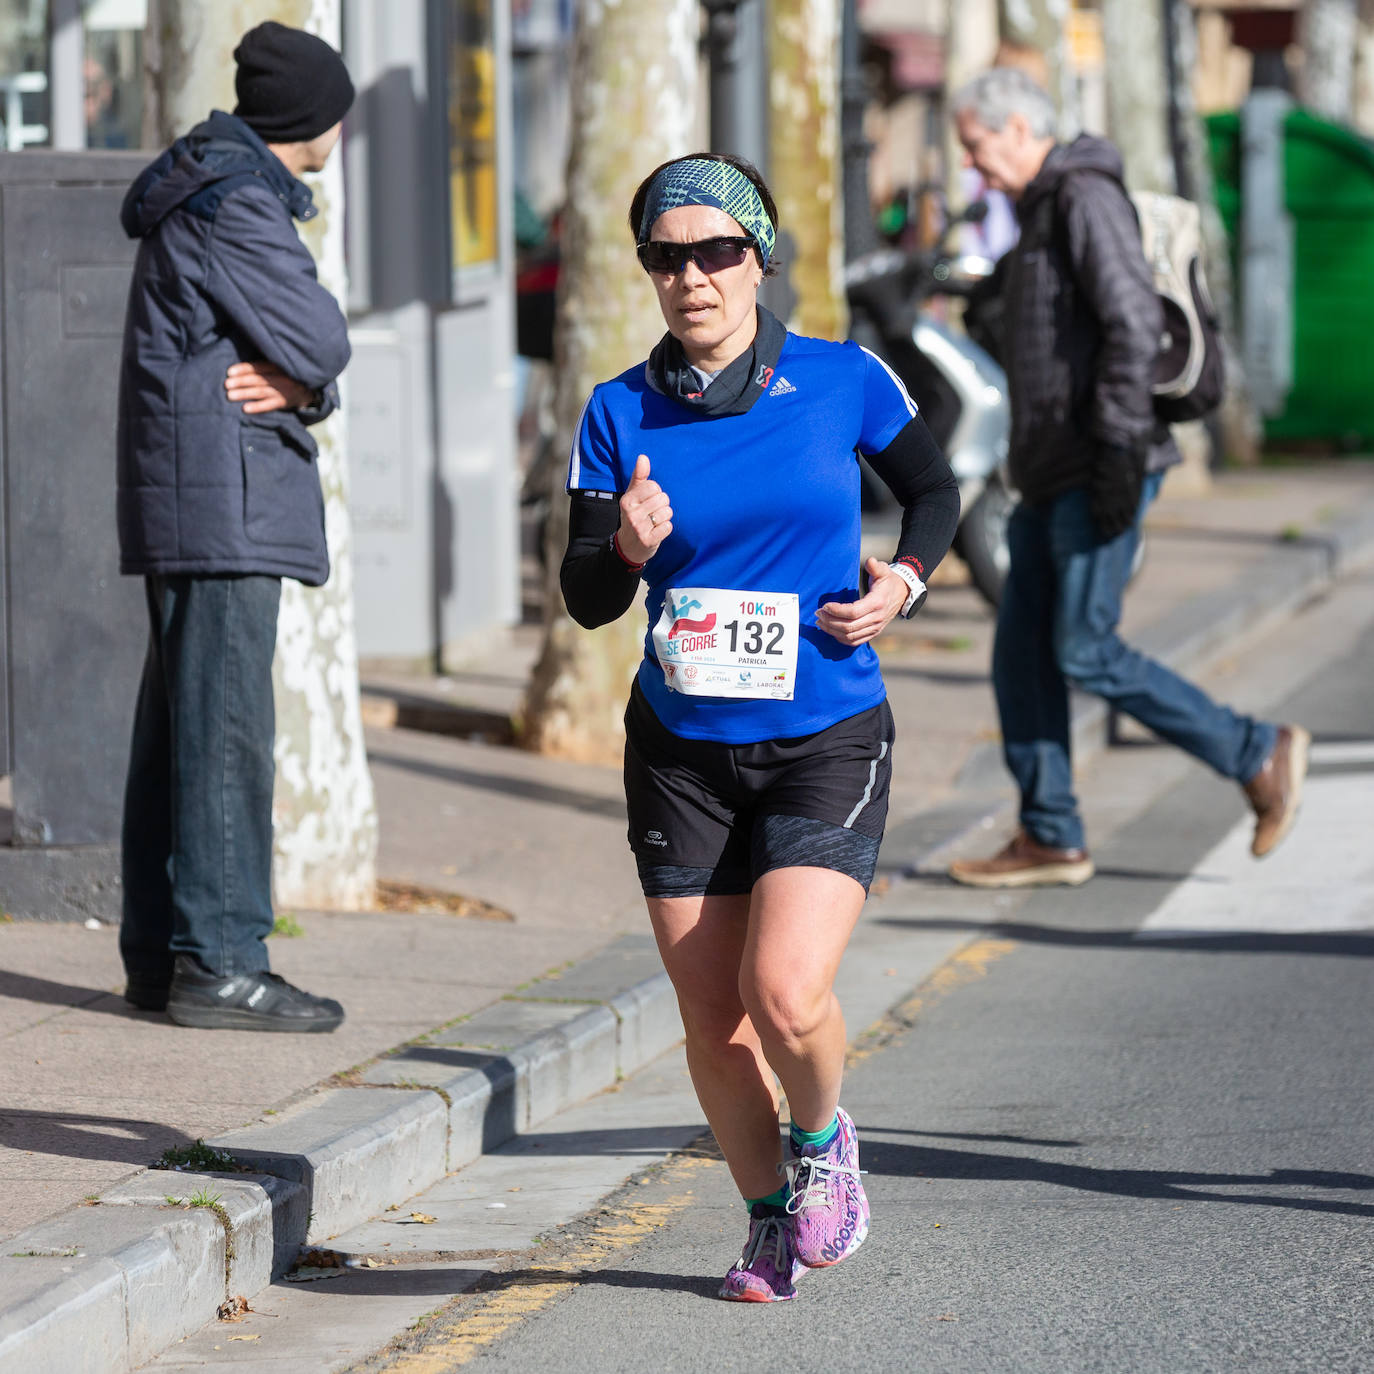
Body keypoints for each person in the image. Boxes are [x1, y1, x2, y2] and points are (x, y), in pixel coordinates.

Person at [559, 153, 960, 1301]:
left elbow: (932, 491)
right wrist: (625, 547)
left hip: (825, 728)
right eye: (666, 258)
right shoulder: (616, 411)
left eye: (716, 253)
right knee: (713, 1017)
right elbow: (587, 598)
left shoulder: (842, 379)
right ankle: (767, 1223)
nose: (692, 279)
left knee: (785, 992)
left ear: (758, 257)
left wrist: (909, 583)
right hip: (681, 747)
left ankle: (826, 1140)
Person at [945, 68, 1308, 890]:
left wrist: (1114, 449)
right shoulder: (1040, 212)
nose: (973, 164)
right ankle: (1049, 835)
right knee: (1021, 657)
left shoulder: (1081, 196)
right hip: (1047, 471)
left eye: (975, 145)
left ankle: (1259, 752)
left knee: (1083, 647)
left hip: (1101, 463)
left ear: (1017, 129)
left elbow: (1132, 321)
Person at [116, 22, 355, 1030]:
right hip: (224, 495)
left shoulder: (212, 185)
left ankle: (163, 958)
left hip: (203, 488)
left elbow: (299, 363)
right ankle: (218, 961)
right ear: (315, 118)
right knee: (224, 735)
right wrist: (311, 380)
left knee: (183, 728)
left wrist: (302, 389)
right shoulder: (236, 201)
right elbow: (319, 337)